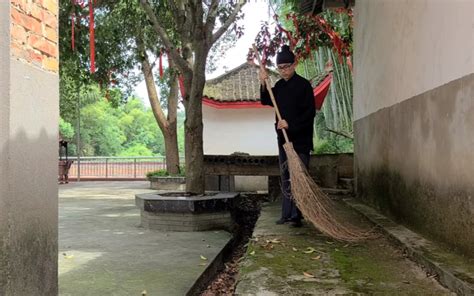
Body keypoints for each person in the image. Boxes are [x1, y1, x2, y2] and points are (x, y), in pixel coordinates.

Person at [259, 45, 316, 227]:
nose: (283, 70)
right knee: (286, 176)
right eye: (280, 67)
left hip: (300, 140)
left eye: (286, 66)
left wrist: (290, 124)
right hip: (283, 140)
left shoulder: (304, 85)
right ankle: (286, 214)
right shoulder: (279, 86)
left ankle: (297, 215)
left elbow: (309, 114)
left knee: (299, 177)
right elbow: (266, 99)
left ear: (294, 64)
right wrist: (263, 83)